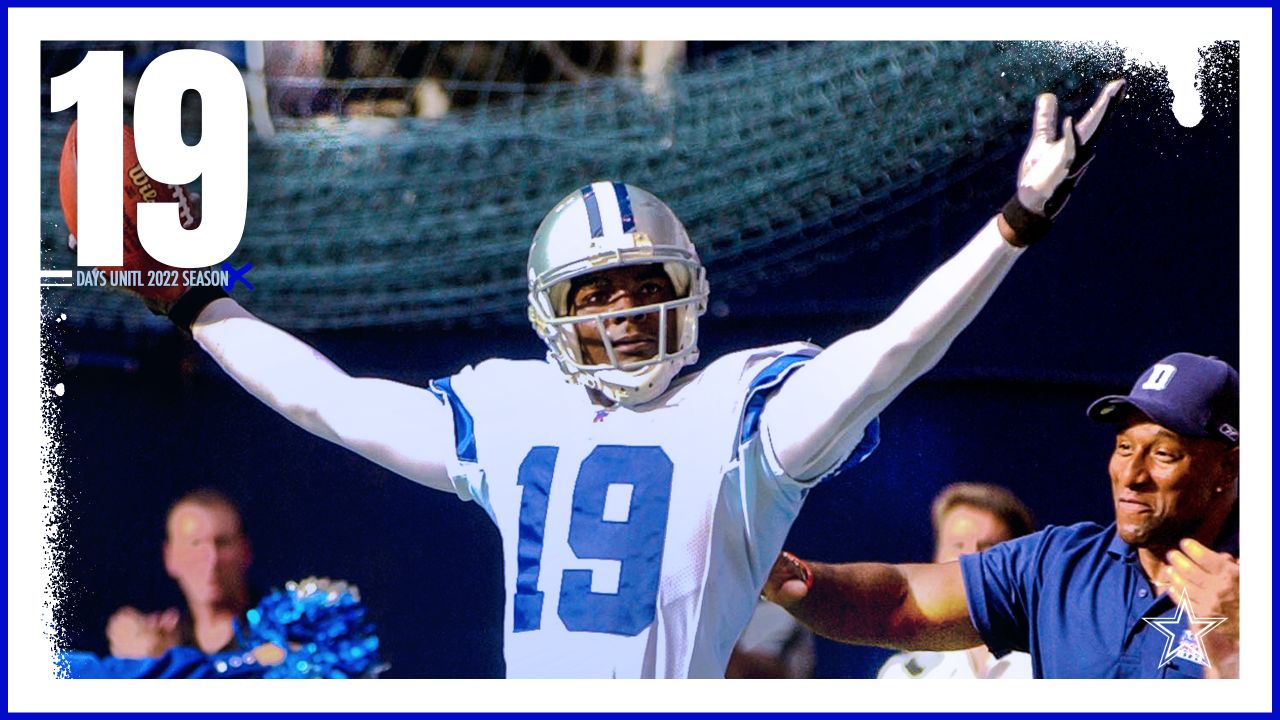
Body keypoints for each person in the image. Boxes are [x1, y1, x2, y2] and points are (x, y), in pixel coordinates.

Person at [98, 80, 1126, 677]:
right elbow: (324, 399)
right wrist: (195, 305)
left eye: (640, 286)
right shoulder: (509, 410)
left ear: (684, 292)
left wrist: (1012, 227)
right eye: (597, 294)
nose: (623, 313)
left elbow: (893, 350)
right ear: (556, 312)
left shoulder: (744, 412)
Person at [763, 352, 1240, 679]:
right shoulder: (1057, 565)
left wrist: (1237, 647)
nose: (1131, 475)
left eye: (1163, 454)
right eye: (1123, 447)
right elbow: (901, 601)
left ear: (1229, 467)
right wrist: (801, 579)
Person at [876, 482, 1035, 679]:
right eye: (957, 546)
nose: (968, 559)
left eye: (988, 547)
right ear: (937, 558)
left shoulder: (1051, 661)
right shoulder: (904, 676)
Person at [106, 489, 254, 658]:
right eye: (195, 544)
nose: (210, 558)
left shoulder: (278, 630)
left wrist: (168, 667)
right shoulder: (165, 640)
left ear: (245, 552)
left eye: (222, 543)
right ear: (170, 558)